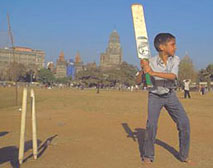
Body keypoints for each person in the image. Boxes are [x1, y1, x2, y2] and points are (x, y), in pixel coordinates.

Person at [141, 33, 191, 164]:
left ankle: (183, 155)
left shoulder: (175, 59)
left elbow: (173, 76)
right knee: (151, 125)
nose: (175, 47)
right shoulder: (150, 61)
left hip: (170, 95)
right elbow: (140, 80)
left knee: (184, 123)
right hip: (154, 96)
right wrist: (143, 70)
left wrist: (153, 72)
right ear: (162, 47)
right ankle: (148, 155)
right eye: (172, 44)